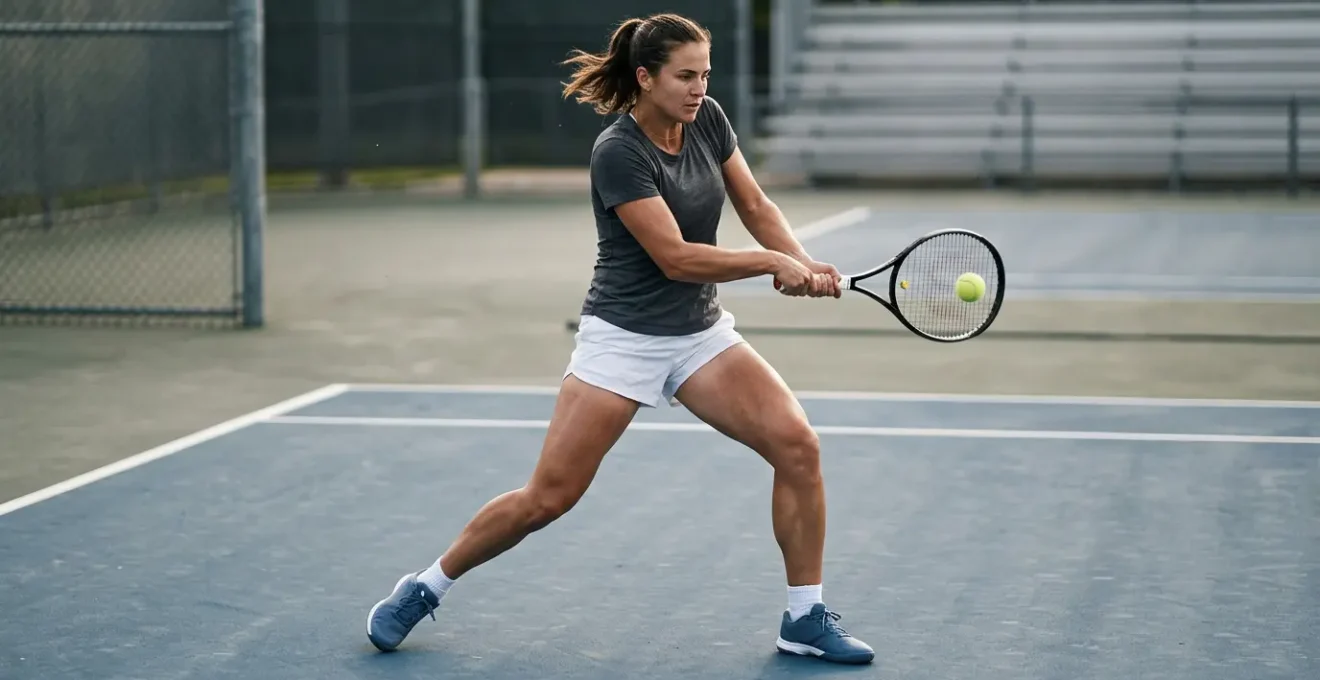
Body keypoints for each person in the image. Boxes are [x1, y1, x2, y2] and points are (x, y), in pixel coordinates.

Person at [365, 13, 875, 666]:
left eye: (705, 75)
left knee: (798, 447)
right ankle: (426, 585)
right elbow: (675, 257)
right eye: (685, 76)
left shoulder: (709, 119)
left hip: (698, 335)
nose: (699, 88)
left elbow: (754, 205)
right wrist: (771, 264)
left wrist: (801, 260)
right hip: (622, 339)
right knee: (548, 498)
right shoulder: (618, 151)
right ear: (645, 77)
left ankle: (804, 618)